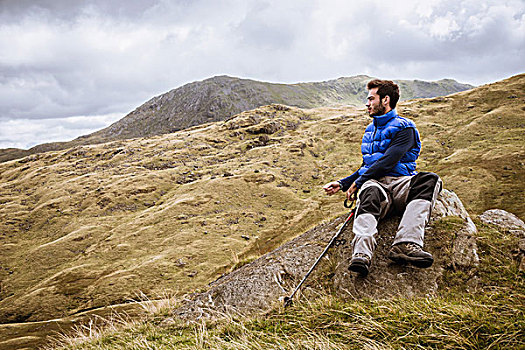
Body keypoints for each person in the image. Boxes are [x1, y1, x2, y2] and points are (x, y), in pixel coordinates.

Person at [323, 79, 442, 277]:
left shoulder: (406, 128)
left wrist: (357, 183)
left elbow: (388, 161)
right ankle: (361, 254)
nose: (367, 103)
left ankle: (406, 243)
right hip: (377, 187)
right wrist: (344, 183)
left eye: (371, 98)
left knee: (429, 180)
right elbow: (368, 165)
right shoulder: (370, 131)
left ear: (385, 100)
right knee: (369, 191)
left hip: (401, 183)